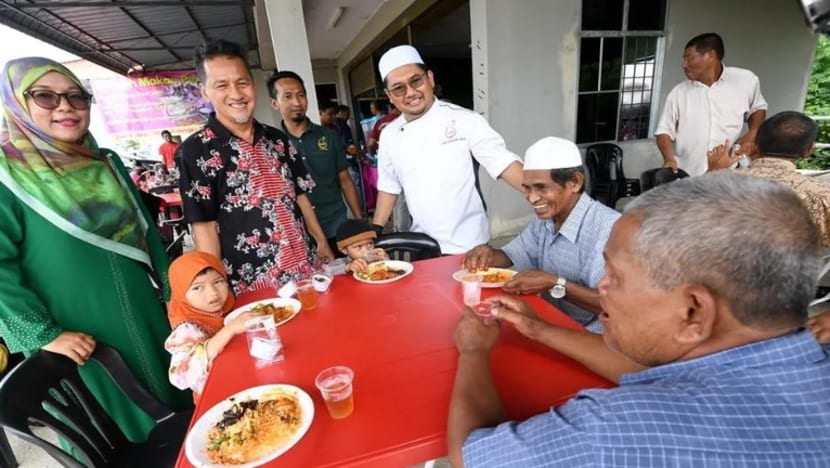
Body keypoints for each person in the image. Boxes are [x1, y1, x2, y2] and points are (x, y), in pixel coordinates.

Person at [448, 172, 830, 467]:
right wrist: (539, 328)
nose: (602, 285)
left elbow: (472, 456)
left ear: (694, 311)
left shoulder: (612, 429)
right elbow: (668, 370)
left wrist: (472, 352)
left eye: (615, 276)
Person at [0, 57, 190, 442]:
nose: (66, 106)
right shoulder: (9, 174)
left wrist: (175, 299)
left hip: (149, 313)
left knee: (182, 408)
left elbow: (148, 232)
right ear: (17, 103)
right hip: (79, 334)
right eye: (45, 97)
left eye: (75, 96)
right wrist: (44, 334)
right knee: (120, 430)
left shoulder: (107, 162)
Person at [177, 40, 333, 296]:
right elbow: (203, 227)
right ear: (204, 92)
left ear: (253, 84)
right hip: (254, 291)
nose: (236, 94)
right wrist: (214, 289)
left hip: (304, 275)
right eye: (222, 85)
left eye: (242, 83)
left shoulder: (277, 139)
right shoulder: (195, 152)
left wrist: (321, 240)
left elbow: (301, 196)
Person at [372, 45, 524, 254]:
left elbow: (503, 163)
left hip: (472, 248)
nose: (410, 93)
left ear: (430, 79)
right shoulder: (389, 135)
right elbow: (388, 187)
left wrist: (546, 193)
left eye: (416, 81)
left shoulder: (465, 120)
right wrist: (375, 230)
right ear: (389, 95)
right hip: (423, 246)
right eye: (399, 88)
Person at [463, 137, 619, 331]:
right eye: (527, 188)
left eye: (541, 188)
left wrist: (554, 283)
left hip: (595, 336)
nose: (532, 198)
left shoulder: (609, 229)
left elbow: (614, 305)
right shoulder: (545, 222)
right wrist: (487, 253)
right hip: (553, 321)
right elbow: (510, 256)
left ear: (575, 183)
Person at [267, 71, 363, 255]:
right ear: (274, 103)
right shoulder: (272, 143)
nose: (297, 102)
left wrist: (359, 222)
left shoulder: (329, 136)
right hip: (297, 233)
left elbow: (345, 180)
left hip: (335, 224)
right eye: (288, 96)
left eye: (301, 95)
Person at [655, 33, 767, 176]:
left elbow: (758, 108)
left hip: (728, 174)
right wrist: (669, 159)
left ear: (710, 55)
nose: (684, 65)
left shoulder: (745, 81)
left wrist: (752, 133)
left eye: (689, 57)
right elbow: (664, 131)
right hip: (688, 175)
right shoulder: (678, 92)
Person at [164, 251, 255, 396]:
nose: (213, 293)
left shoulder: (226, 307)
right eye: (197, 287)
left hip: (243, 376)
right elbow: (179, 377)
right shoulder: (186, 329)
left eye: (218, 282)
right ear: (181, 293)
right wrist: (229, 330)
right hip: (219, 396)